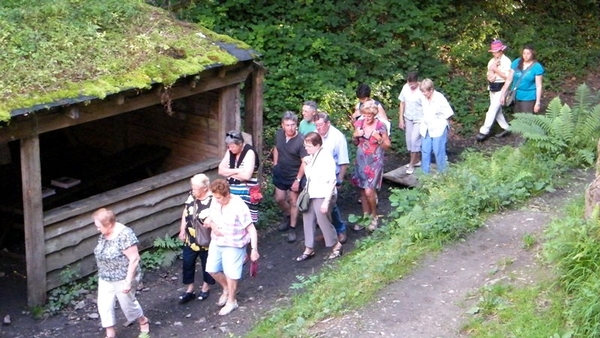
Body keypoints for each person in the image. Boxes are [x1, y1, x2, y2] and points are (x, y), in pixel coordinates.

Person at [204, 178, 259, 316]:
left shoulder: (239, 207)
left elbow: (251, 229)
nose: (216, 200)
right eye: (215, 197)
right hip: (216, 242)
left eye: (219, 198)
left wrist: (254, 250)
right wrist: (212, 225)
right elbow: (210, 216)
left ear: (227, 194)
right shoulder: (215, 201)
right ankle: (227, 288)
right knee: (211, 269)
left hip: (234, 244)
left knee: (231, 274)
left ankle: (231, 301)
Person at [92, 208, 150, 338]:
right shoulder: (104, 233)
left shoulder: (125, 235)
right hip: (105, 276)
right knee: (104, 305)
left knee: (128, 305)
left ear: (109, 224)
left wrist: (127, 282)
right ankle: (110, 333)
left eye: (99, 227)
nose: (97, 229)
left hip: (123, 277)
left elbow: (134, 259)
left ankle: (143, 321)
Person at [295, 132, 343, 261]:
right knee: (308, 218)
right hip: (311, 192)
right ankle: (308, 248)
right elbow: (309, 174)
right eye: (305, 145)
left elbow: (332, 181)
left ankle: (335, 245)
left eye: (309, 146)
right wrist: (305, 162)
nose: (306, 148)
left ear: (317, 145)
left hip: (323, 194)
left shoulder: (325, 157)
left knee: (323, 220)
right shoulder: (311, 156)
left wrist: (326, 202)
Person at [351, 102, 391, 231]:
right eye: (364, 114)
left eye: (369, 115)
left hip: (375, 161)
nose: (367, 117)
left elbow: (387, 146)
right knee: (362, 190)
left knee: (369, 191)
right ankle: (365, 216)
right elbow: (355, 142)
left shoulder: (380, 126)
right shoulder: (358, 124)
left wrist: (379, 139)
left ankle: (374, 216)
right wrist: (355, 136)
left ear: (374, 114)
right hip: (361, 160)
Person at [177, 174, 216, 303]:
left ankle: (206, 287)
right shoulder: (192, 196)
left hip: (206, 239)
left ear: (205, 188)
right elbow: (185, 212)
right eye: (192, 187)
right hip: (190, 238)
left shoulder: (213, 200)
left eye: (195, 188)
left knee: (207, 264)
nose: (193, 190)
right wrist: (182, 229)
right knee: (187, 263)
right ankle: (190, 289)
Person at [272, 111, 307, 243]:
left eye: (293, 125)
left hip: (294, 175)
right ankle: (288, 216)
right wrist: (275, 164)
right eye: (287, 125)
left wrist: (298, 180)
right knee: (279, 199)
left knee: (293, 201)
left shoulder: (301, 140)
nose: (290, 128)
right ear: (282, 125)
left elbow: (304, 162)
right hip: (281, 172)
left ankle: (292, 228)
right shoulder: (279, 134)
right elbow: (276, 148)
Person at [315, 112, 350, 240]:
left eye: (320, 125)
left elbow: (344, 162)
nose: (318, 128)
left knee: (331, 205)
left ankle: (340, 230)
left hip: (332, 176)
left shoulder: (338, 138)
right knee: (320, 205)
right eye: (316, 125)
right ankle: (328, 231)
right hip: (317, 175)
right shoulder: (316, 134)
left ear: (328, 123)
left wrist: (339, 180)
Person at [218, 130, 260, 223]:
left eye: (232, 146)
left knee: (247, 221)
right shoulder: (230, 151)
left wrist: (228, 173)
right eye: (228, 146)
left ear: (240, 144)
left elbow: (246, 176)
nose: (230, 149)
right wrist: (238, 171)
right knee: (233, 220)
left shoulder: (250, 152)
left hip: (247, 193)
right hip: (232, 192)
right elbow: (220, 170)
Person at [476, 40, 512, 141]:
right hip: (493, 87)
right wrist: (491, 75)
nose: (494, 53)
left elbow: (507, 77)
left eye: (496, 51)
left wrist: (496, 70)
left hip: (502, 87)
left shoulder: (507, 62)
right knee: (497, 110)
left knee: (492, 109)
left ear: (501, 51)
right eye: (493, 51)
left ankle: (484, 131)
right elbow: (489, 75)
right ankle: (506, 128)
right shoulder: (491, 62)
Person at [419, 79, 454, 174]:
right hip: (426, 128)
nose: (423, 94)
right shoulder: (423, 97)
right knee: (425, 151)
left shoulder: (440, 98)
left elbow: (449, 113)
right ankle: (424, 174)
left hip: (438, 128)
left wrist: (438, 117)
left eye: (425, 92)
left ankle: (443, 173)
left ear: (431, 90)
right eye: (422, 92)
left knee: (438, 151)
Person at [500, 44, 545, 113]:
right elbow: (509, 79)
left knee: (526, 119)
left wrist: (537, 102)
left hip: (528, 96)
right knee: (517, 117)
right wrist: (503, 94)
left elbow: (539, 86)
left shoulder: (537, 67)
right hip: (515, 94)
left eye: (528, 53)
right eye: (524, 53)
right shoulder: (516, 62)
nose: (526, 56)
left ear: (532, 54)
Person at [398, 71, 424, 174]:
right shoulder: (405, 87)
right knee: (409, 140)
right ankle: (416, 160)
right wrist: (401, 119)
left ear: (417, 81)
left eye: (413, 83)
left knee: (414, 141)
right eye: (410, 83)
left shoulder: (422, 88)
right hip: (408, 117)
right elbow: (402, 102)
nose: (411, 85)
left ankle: (411, 164)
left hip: (419, 119)